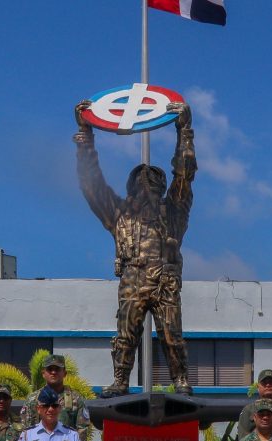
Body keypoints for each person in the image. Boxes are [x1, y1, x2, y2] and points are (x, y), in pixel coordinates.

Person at [74, 98, 196, 397]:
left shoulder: (175, 210)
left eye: (152, 184)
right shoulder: (119, 214)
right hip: (132, 278)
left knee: (172, 336)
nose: (146, 189)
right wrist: (86, 137)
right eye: (140, 185)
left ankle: (180, 379)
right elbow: (92, 186)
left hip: (165, 280)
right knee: (125, 334)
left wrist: (184, 132)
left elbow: (185, 174)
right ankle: (120, 380)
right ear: (131, 190)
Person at [21, 354, 92, 441]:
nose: (53, 372)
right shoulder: (33, 399)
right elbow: (26, 429)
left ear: (64, 373)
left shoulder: (75, 399)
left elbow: (82, 429)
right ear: (43, 373)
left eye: (57, 369)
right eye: (50, 369)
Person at [237, 368, 272, 439]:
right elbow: (243, 438)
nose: (268, 385)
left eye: (271, 382)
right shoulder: (249, 409)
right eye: (264, 382)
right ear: (258, 387)